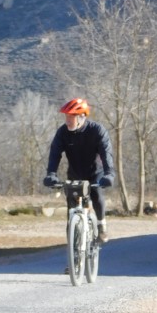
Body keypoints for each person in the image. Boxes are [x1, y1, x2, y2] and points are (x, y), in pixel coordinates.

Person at [43, 98, 115, 243]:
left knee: (96, 195)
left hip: (96, 173)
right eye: (66, 116)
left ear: (82, 117)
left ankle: (101, 225)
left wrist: (109, 173)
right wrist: (51, 174)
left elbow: (106, 154)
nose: (67, 120)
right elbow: (54, 154)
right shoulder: (62, 132)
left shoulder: (97, 131)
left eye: (71, 116)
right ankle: (74, 258)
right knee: (71, 215)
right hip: (75, 174)